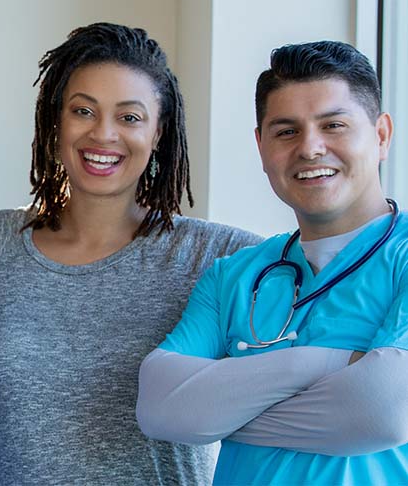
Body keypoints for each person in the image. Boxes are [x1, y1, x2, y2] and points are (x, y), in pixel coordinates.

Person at [0, 23, 260, 484]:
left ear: (158, 133)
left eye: (130, 117)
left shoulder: (214, 256)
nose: (103, 134)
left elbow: (338, 279)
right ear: (55, 121)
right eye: (83, 110)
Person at [137, 41, 408, 484]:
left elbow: (381, 412)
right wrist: (328, 364)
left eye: (333, 125)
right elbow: (161, 410)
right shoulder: (232, 276)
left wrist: (227, 413)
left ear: (381, 135)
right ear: (261, 145)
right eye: (286, 131)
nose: (311, 148)